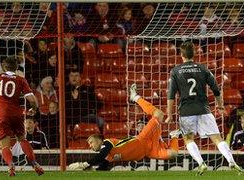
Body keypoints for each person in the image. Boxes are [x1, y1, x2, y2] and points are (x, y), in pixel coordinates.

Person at [166, 41, 243, 175]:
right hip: (204, 109)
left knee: (188, 138)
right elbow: (216, 89)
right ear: (194, 53)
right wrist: (220, 106)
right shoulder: (203, 68)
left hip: (186, 111)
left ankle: (201, 163)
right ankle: (231, 161)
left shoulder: (176, 71)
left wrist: (169, 114)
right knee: (217, 138)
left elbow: (171, 95)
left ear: (181, 54)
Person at [68, 84, 180, 171]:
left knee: (159, 114)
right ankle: (174, 136)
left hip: (143, 139)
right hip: (148, 151)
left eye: (91, 142)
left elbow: (101, 155)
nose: (90, 146)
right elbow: (102, 168)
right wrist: (90, 170)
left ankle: (135, 97)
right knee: (173, 154)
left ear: (99, 140)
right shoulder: (108, 156)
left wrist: (84, 164)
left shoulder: (107, 143)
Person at [0, 57, 44, 176]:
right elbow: (32, 100)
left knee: (5, 145)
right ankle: (34, 163)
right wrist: (34, 109)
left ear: (3, 67)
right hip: (16, 114)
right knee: (22, 139)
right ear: (16, 68)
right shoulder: (21, 80)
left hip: (1, 115)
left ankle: (11, 165)